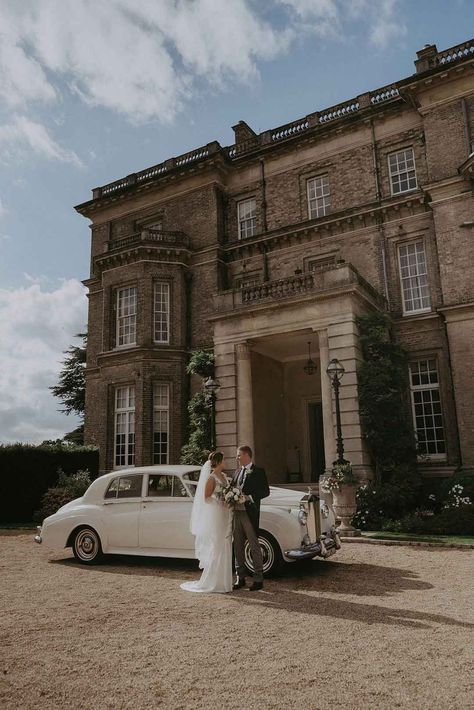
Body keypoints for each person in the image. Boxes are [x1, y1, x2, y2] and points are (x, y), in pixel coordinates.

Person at [180, 451, 232, 594]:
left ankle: (225, 581)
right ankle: (213, 581)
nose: (225, 461)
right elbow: (206, 497)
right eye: (224, 459)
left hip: (226, 514)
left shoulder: (224, 477)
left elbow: (228, 492)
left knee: (226, 543)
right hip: (217, 514)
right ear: (219, 461)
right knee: (218, 544)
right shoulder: (212, 478)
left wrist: (230, 498)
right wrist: (220, 499)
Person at [232, 445, 270, 591]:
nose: (237, 458)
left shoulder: (258, 471)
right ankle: (240, 577)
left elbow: (265, 491)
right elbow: (232, 489)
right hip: (236, 512)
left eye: (239, 455)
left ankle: (258, 578)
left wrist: (249, 497)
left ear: (247, 455)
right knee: (238, 545)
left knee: (254, 545)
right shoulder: (236, 472)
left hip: (250, 513)